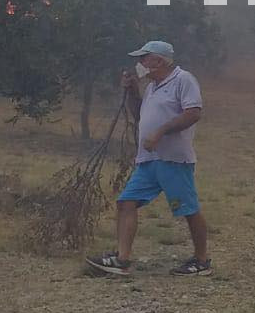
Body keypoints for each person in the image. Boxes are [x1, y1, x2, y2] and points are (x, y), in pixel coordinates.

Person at [87, 40, 210, 277]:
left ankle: (202, 261)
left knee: (187, 209)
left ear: (158, 61)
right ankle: (122, 260)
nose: (140, 63)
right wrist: (133, 92)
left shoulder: (183, 80)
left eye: (144, 58)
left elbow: (193, 113)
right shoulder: (153, 86)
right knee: (126, 203)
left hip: (173, 161)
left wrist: (161, 131)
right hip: (148, 161)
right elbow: (139, 115)